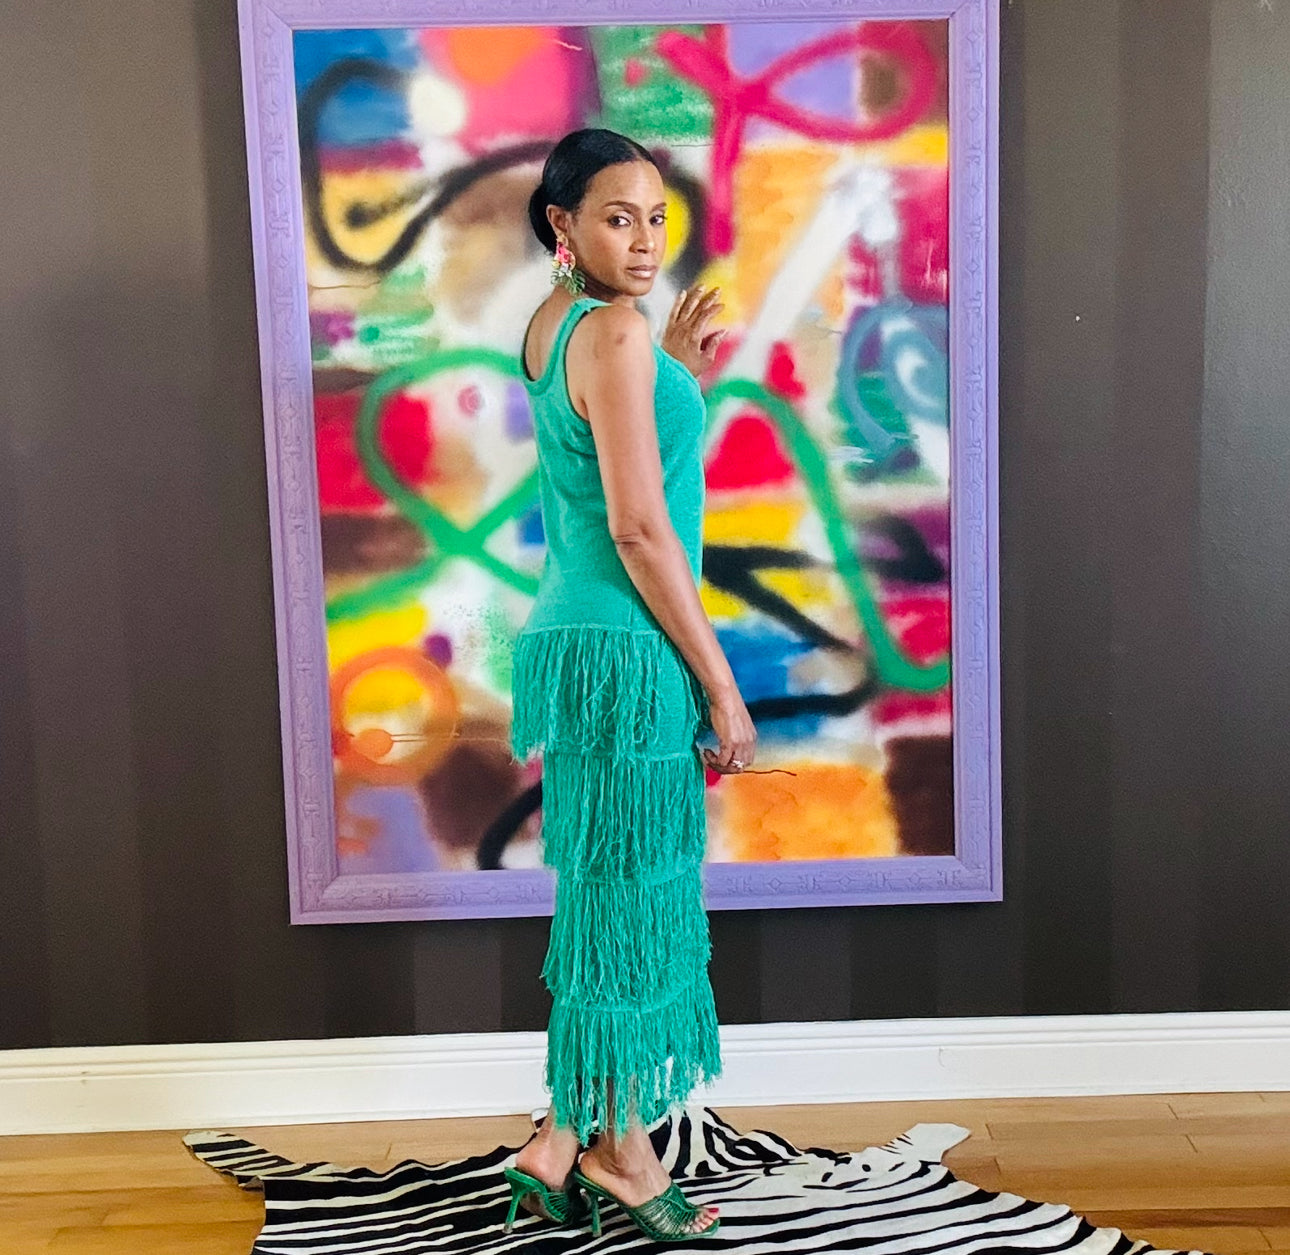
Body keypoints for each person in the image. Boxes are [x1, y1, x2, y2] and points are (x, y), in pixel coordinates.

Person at [503, 128, 757, 1242]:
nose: (647, 241)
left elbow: (602, 440)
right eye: (618, 218)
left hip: (578, 642)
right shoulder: (610, 329)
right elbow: (641, 530)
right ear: (562, 223)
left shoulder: (556, 322)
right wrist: (721, 684)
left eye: (657, 217)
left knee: (607, 897)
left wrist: (679, 377)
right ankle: (620, 1150)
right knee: (632, 902)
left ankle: (564, 1134)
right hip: (632, 649)